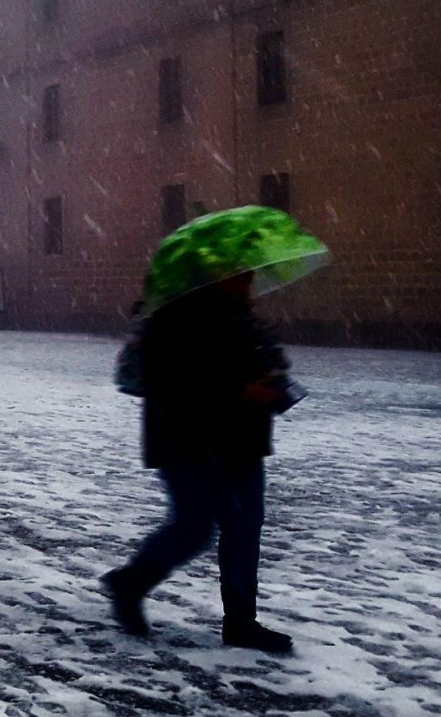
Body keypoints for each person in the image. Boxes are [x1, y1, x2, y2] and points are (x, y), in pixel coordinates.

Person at [101, 271, 298, 654]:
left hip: (243, 439)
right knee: (194, 527)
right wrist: (241, 391)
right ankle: (131, 582)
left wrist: (275, 383)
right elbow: (171, 384)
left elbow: (268, 363)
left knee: (244, 527)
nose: (247, 282)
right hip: (187, 441)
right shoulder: (172, 319)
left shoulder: (245, 317)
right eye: (238, 276)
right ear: (212, 277)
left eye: (248, 275)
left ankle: (241, 623)